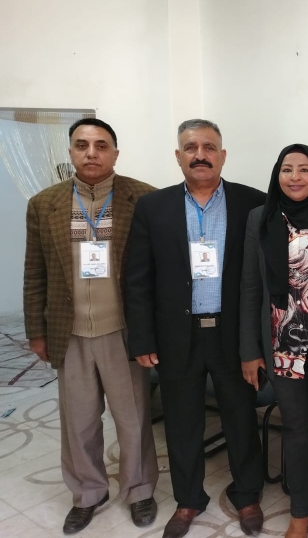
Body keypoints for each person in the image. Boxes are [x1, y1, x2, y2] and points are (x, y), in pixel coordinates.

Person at [125, 119, 265, 538]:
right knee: (181, 422)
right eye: (191, 147)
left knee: (241, 418)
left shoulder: (252, 203)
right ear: (178, 155)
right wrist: (142, 337)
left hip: (232, 334)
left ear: (222, 155)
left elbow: (263, 277)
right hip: (176, 335)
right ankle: (188, 499)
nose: (200, 155)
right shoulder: (153, 207)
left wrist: (258, 340)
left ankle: (248, 495)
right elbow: (138, 278)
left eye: (209, 147)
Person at [23, 118, 159, 534]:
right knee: (78, 421)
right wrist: (36, 331)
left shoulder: (145, 199)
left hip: (124, 331)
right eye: (81, 145)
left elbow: (159, 272)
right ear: (71, 152)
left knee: (133, 418)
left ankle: (139, 489)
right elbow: (35, 272)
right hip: (71, 332)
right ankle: (88, 493)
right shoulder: (44, 204)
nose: (91, 153)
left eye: (101, 145)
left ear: (115, 153)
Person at [239, 144, 308, 538]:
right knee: (296, 429)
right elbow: (250, 287)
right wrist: (249, 350)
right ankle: (300, 512)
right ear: (277, 174)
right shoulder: (261, 217)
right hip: (282, 345)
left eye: (304, 169)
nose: (295, 177)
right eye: (287, 169)